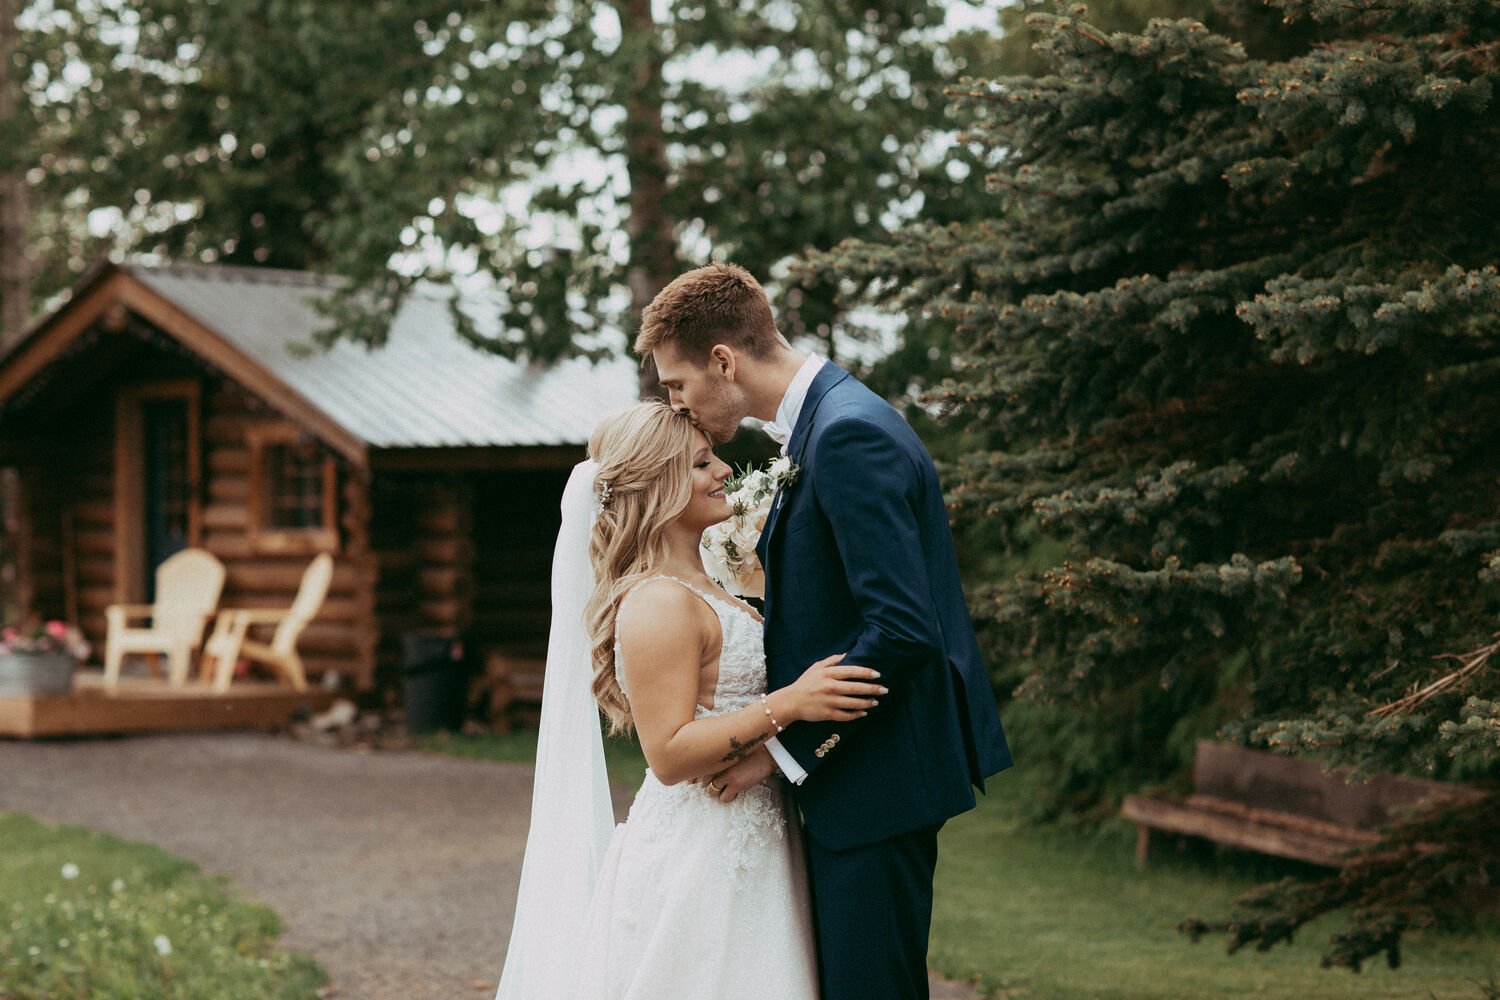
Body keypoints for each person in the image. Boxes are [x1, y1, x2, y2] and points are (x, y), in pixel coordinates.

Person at [638, 262, 1013, 1000]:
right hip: (867, 776)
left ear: (724, 360)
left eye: (678, 384)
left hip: (877, 778)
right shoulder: (830, 422)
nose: (676, 402)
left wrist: (778, 751)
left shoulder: (845, 436)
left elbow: (903, 629)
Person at [494, 400, 884, 999]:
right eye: (702, 463)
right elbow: (670, 755)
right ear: (658, 485)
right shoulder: (657, 601)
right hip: (698, 855)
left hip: (751, 835)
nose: (725, 471)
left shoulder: (705, 585)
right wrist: (791, 705)